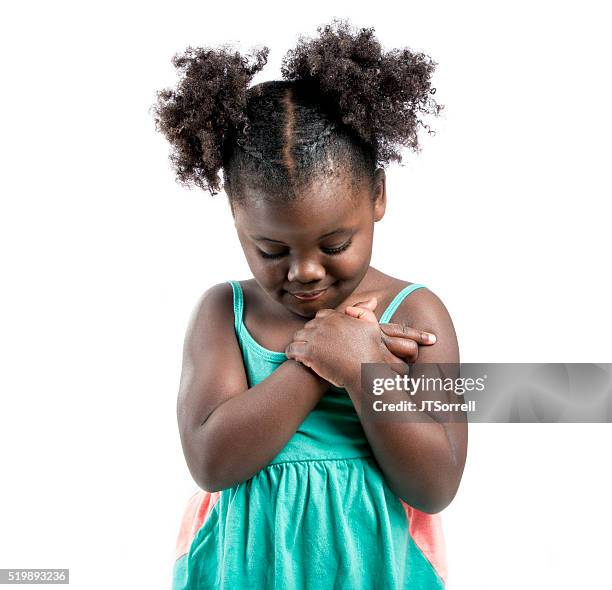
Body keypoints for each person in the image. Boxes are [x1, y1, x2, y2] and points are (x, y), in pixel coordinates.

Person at [152, 19, 467, 590]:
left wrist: (363, 371)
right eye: (271, 249)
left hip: (374, 572)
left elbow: (436, 482)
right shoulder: (224, 315)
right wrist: (318, 366)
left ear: (378, 196)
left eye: (334, 245)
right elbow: (211, 460)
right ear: (236, 217)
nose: (304, 272)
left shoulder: (418, 317)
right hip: (244, 572)